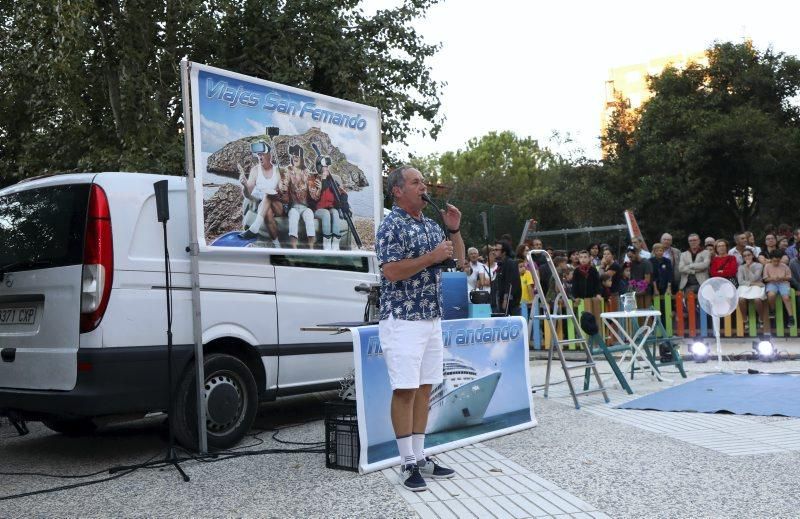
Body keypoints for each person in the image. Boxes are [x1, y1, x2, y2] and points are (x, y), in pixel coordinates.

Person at [375, 166, 462, 492]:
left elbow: (458, 260)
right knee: (405, 390)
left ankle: (420, 454)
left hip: (431, 318)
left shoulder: (430, 224)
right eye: (416, 182)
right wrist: (430, 257)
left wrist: (454, 230)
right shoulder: (390, 226)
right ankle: (406, 462)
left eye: (424, 182)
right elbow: (392, 272)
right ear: (397, 191)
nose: (423, 187)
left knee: (426, 388)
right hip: (402, 320)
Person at [238, 140, 283, 247]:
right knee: (267, 213)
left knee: (268, 194)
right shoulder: (255, 170)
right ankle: (277, 245)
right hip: (264, 207)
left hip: (279, 206)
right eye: (258, 155)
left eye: (262, 154)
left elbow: (282, 193)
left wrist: (279, 190)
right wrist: (244, 185)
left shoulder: (278, 171)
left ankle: (254, 228)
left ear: (269, 155)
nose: (260, 157)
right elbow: (248, 195)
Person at [284, 144, 320, 248]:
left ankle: (311, 249)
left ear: (301, 158)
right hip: (293, 207)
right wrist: (284, 186)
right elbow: (284, 187)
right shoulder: (288, 171)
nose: (295, 157)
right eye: (293, 155)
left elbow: (315, 196)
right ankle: (294, 249)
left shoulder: (307, 173)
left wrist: (319, 189)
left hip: (306, 207)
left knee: (309, 217)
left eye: (297, 155)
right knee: (293, 218)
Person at [310, 154, 347, 250]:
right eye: (324, 166)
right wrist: (322, 182)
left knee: (334, 213)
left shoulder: (332, 180)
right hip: (317, 209)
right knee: (326, 213)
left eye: (327, 166)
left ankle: (335, 246)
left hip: (330, 208)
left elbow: (343, 193)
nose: (326, 168)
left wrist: (343, 204)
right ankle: (326, 247)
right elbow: (314, 198)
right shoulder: (313, 179)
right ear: (319, 167)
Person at [737, 249, 767, 334]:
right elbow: (740, 281)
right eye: (745, 256)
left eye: (749, 255)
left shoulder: (759, 265)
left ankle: (761, 319)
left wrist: (748, 268)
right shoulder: (741, 267)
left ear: (752, 255)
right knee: (741, 299)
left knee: (757, 299)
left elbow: (755, 277)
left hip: (756, 287)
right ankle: (745, 320)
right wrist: (754, 283)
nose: (747, 257)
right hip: (747, 286)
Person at [763, 249, 795, 327]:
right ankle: (772, 309)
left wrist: (782, 277)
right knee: (771, 295)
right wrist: (773, 278)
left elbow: (789, 277)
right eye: (774, 261)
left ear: (780, 259)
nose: (776, 263)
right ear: (771, 259)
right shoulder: (767, 266)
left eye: (778, 261)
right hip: (772, 283)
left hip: (783, 283)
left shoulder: (784, 266)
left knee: (786, 297)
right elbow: (765, 279)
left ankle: (791, 317)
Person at [495, 240, 522, 315]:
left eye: (497, 250)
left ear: (504, 252)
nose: (494, 252)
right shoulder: (501, 264)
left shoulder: (510, 263)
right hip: (501, 300)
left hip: (510, 303)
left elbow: (510, 282)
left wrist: (505, 299)